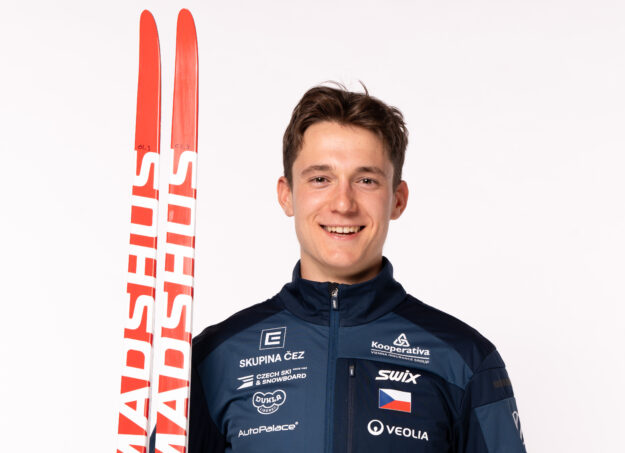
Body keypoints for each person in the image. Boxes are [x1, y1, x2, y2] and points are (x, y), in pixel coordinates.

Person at [187, 84, 526, 452]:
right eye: (320, 179)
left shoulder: (464, 359)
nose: (343, 204)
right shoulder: (214, 359)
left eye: (366, 180)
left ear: (397, 200)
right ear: (287, 195)